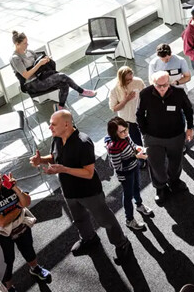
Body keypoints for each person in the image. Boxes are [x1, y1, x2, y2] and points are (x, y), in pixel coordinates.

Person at [30, 110, 133, 264]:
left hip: (89, 192)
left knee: (106, 220)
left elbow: (88, 173)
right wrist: (41, 160)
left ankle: (122, 243)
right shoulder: (57, 138)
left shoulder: (83, 143)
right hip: (69, 191)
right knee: (79, 219)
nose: (50, 127)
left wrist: (63, 169)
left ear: (66, 124)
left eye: (53, 124)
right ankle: (89, 239)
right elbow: (55, 156)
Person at [136, 71, 194, 205]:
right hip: (153, 137)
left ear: (169, 82)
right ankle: (160, 188)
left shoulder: (178, 93)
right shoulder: (145, 94)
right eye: (158, 85)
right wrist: (144, 133)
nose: (162, 88)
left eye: (165, 84)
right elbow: (139, 115)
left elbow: (188, 110)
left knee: (176, 161)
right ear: (152, 83)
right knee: (155, 164)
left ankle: (174, 181)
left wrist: (190, 128)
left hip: (176, 136)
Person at [0, 167, 51, 291]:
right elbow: (1, 222)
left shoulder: (8, 185)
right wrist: (18, 207)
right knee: (7, 261)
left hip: (20, 225)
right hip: (2, 234)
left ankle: (35, 269)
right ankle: (9, 287)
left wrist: (14, 188)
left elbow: (27, 201)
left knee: (28, 247)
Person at [10, 31, 96, 110]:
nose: (27, 44)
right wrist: (39, 64)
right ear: (17, 44)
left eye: (27, 42)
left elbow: (39, 61)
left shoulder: (29, 52)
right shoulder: (15, 58)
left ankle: (60, 107)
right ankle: (81, 91)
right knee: (62, 76)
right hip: (31, 84)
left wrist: (46, 60)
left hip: (40, 76)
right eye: (25, 43)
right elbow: (26, 75)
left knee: (64, 84)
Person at [105, 117, 152, 232]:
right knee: (128, 196)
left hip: (134, 168)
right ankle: (129, 219)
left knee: (137, 187)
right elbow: (118, 166)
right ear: (114, 133)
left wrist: (137, 148)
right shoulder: (114, 147)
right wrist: (135, 156)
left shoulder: (125, 137)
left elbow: (132, 146)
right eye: (122, 131)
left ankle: (139, 205)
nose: (126, 133)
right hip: (125, 174)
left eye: (126, 129)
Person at [109, 66, 146, 168]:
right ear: (121, 79)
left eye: (131, 78)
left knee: (147, 137)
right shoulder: (114, 90)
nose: (130, 81)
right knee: (136, 141)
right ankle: (141, 160)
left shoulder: (138, 81)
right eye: (127, 80)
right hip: (128, 120)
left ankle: (150, 155)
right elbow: (114, 108)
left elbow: (145, 95)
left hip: (142, 116)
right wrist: (126, 99)